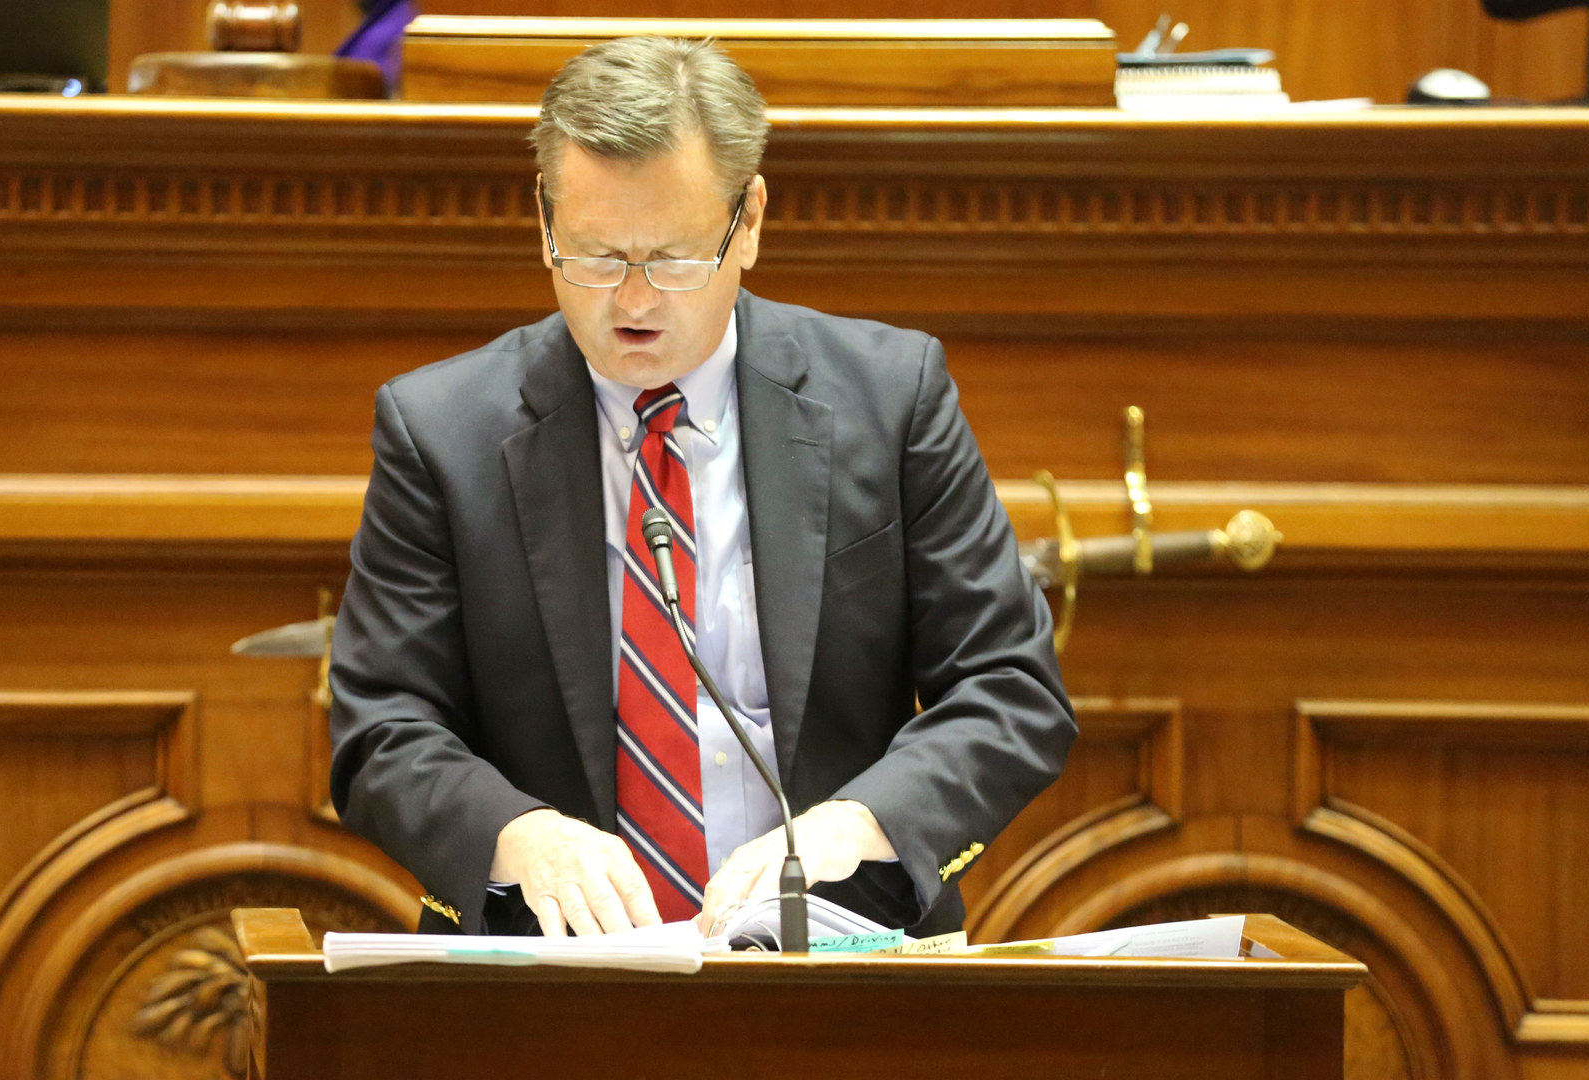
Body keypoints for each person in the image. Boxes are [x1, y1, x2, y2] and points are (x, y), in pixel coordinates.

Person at [328, 35, 1075, 939]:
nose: (635, 302)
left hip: (833, 950)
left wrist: (865, 822)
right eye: (597, 256)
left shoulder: (890, 396)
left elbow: (1009, 685)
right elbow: (381, 725)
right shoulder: (440, 431)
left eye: (677, 259)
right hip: (551, 978)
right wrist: (517, 835)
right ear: (543, 220)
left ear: (749, 221)